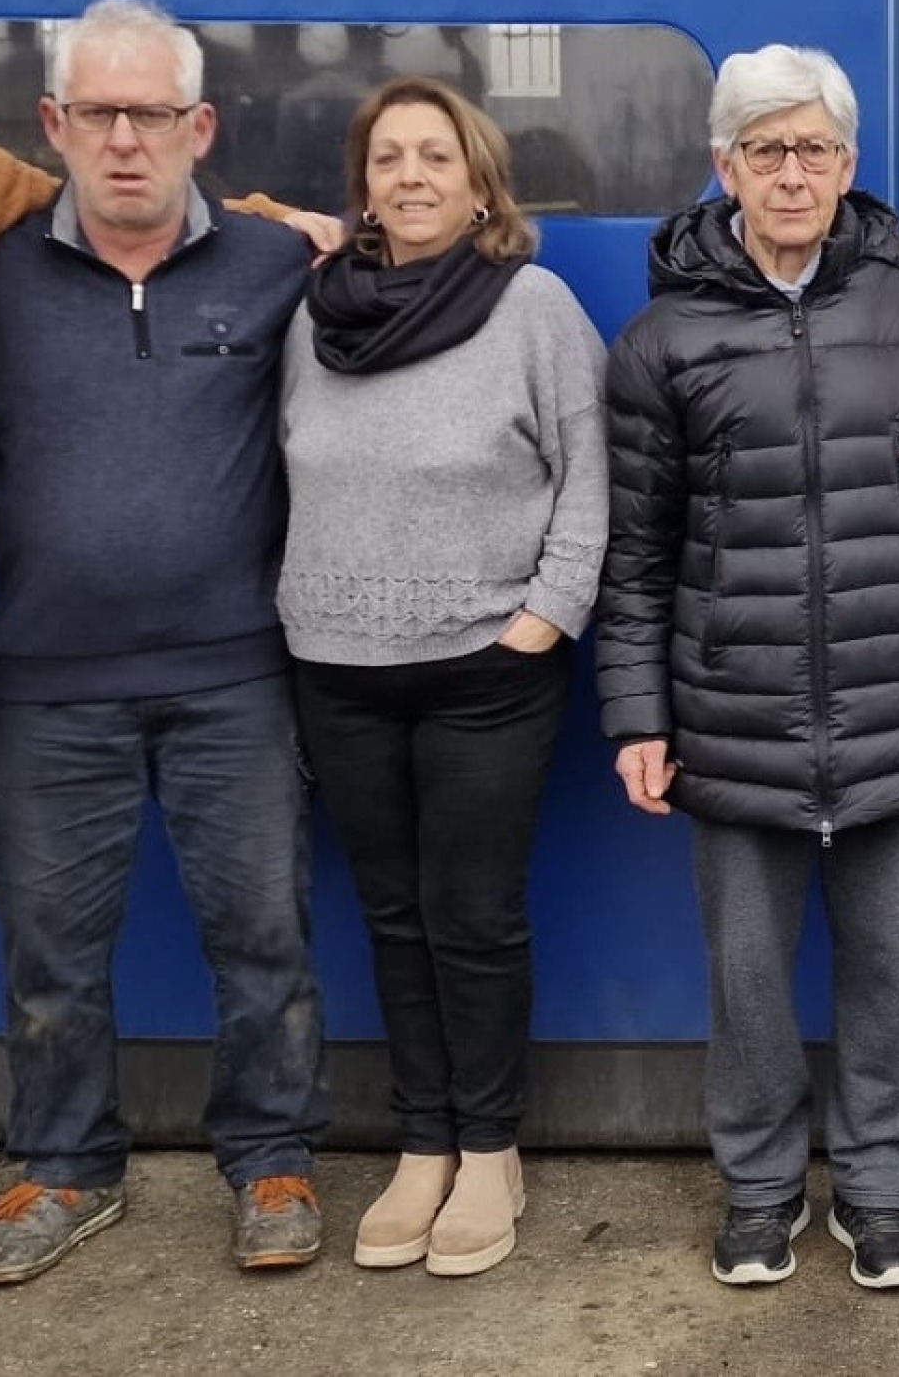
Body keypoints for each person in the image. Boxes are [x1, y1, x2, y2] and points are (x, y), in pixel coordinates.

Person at [596, 44, 899, 1292]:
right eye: (767, 150)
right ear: (727, 168)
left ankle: (879, 1193)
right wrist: (637, 714)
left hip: (897, 699)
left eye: (815, 148)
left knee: (890, 970)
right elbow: (637, 550)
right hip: (733, 710)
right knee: (748, 977)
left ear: (848, 163)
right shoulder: (663, 341)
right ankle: (760, 1191)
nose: (793, 173)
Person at [0, 0, 329, 1283]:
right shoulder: (1, 270)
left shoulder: (275, 263)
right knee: (51, 957)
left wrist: (322, 230)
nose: (124, 140)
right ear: (53, 124)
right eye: (98, 113)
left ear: (201, 127)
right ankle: (64, 1167)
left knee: (264, 939)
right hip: (48, 681)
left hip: (233, 672)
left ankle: (274, 1158)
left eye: (150, 114)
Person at [277, 77, 607, 1278]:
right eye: (388, 158)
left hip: (485, 672)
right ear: (361, 188)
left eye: (435, 155)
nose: (411, 175)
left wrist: (545, 618)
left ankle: (489, 1150)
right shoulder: (312, 313)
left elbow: (590, 474)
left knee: (472, 917)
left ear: (480, 184)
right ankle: (423, 1143)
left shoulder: (532, 307)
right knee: (393, 915)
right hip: (337, 668)